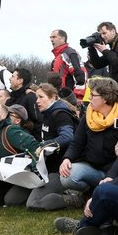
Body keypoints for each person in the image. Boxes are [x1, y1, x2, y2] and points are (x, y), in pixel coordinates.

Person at [59, 77, 118, 197]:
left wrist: (111, 176)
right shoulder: (89, 114)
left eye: (93, 95)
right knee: (68, 176)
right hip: (92, 167)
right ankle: (88, 192)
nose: (89, 98)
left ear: (105, 98)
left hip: (115, 168)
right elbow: (77, 143)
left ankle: (115, 193)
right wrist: (67, 158)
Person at [25, 83, 80, 211]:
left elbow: (67, 136)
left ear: (53, 98)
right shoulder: (47, 113)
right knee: (13, 199)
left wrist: (45, 145)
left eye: (41, 97)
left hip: (60, 169)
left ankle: (75, 199)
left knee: (33, 203)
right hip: (47, 169)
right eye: (36, 98)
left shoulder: (60, 114)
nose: (37, 101)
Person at [50, 29, 87, 98]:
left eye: (54, 37)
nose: (51, 40)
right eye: (50, 37)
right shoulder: (57, 58)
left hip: (69, 99)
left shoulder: (70, 53)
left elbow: (81, 74)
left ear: (63, 39)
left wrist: (78, 96)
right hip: (58, 98)